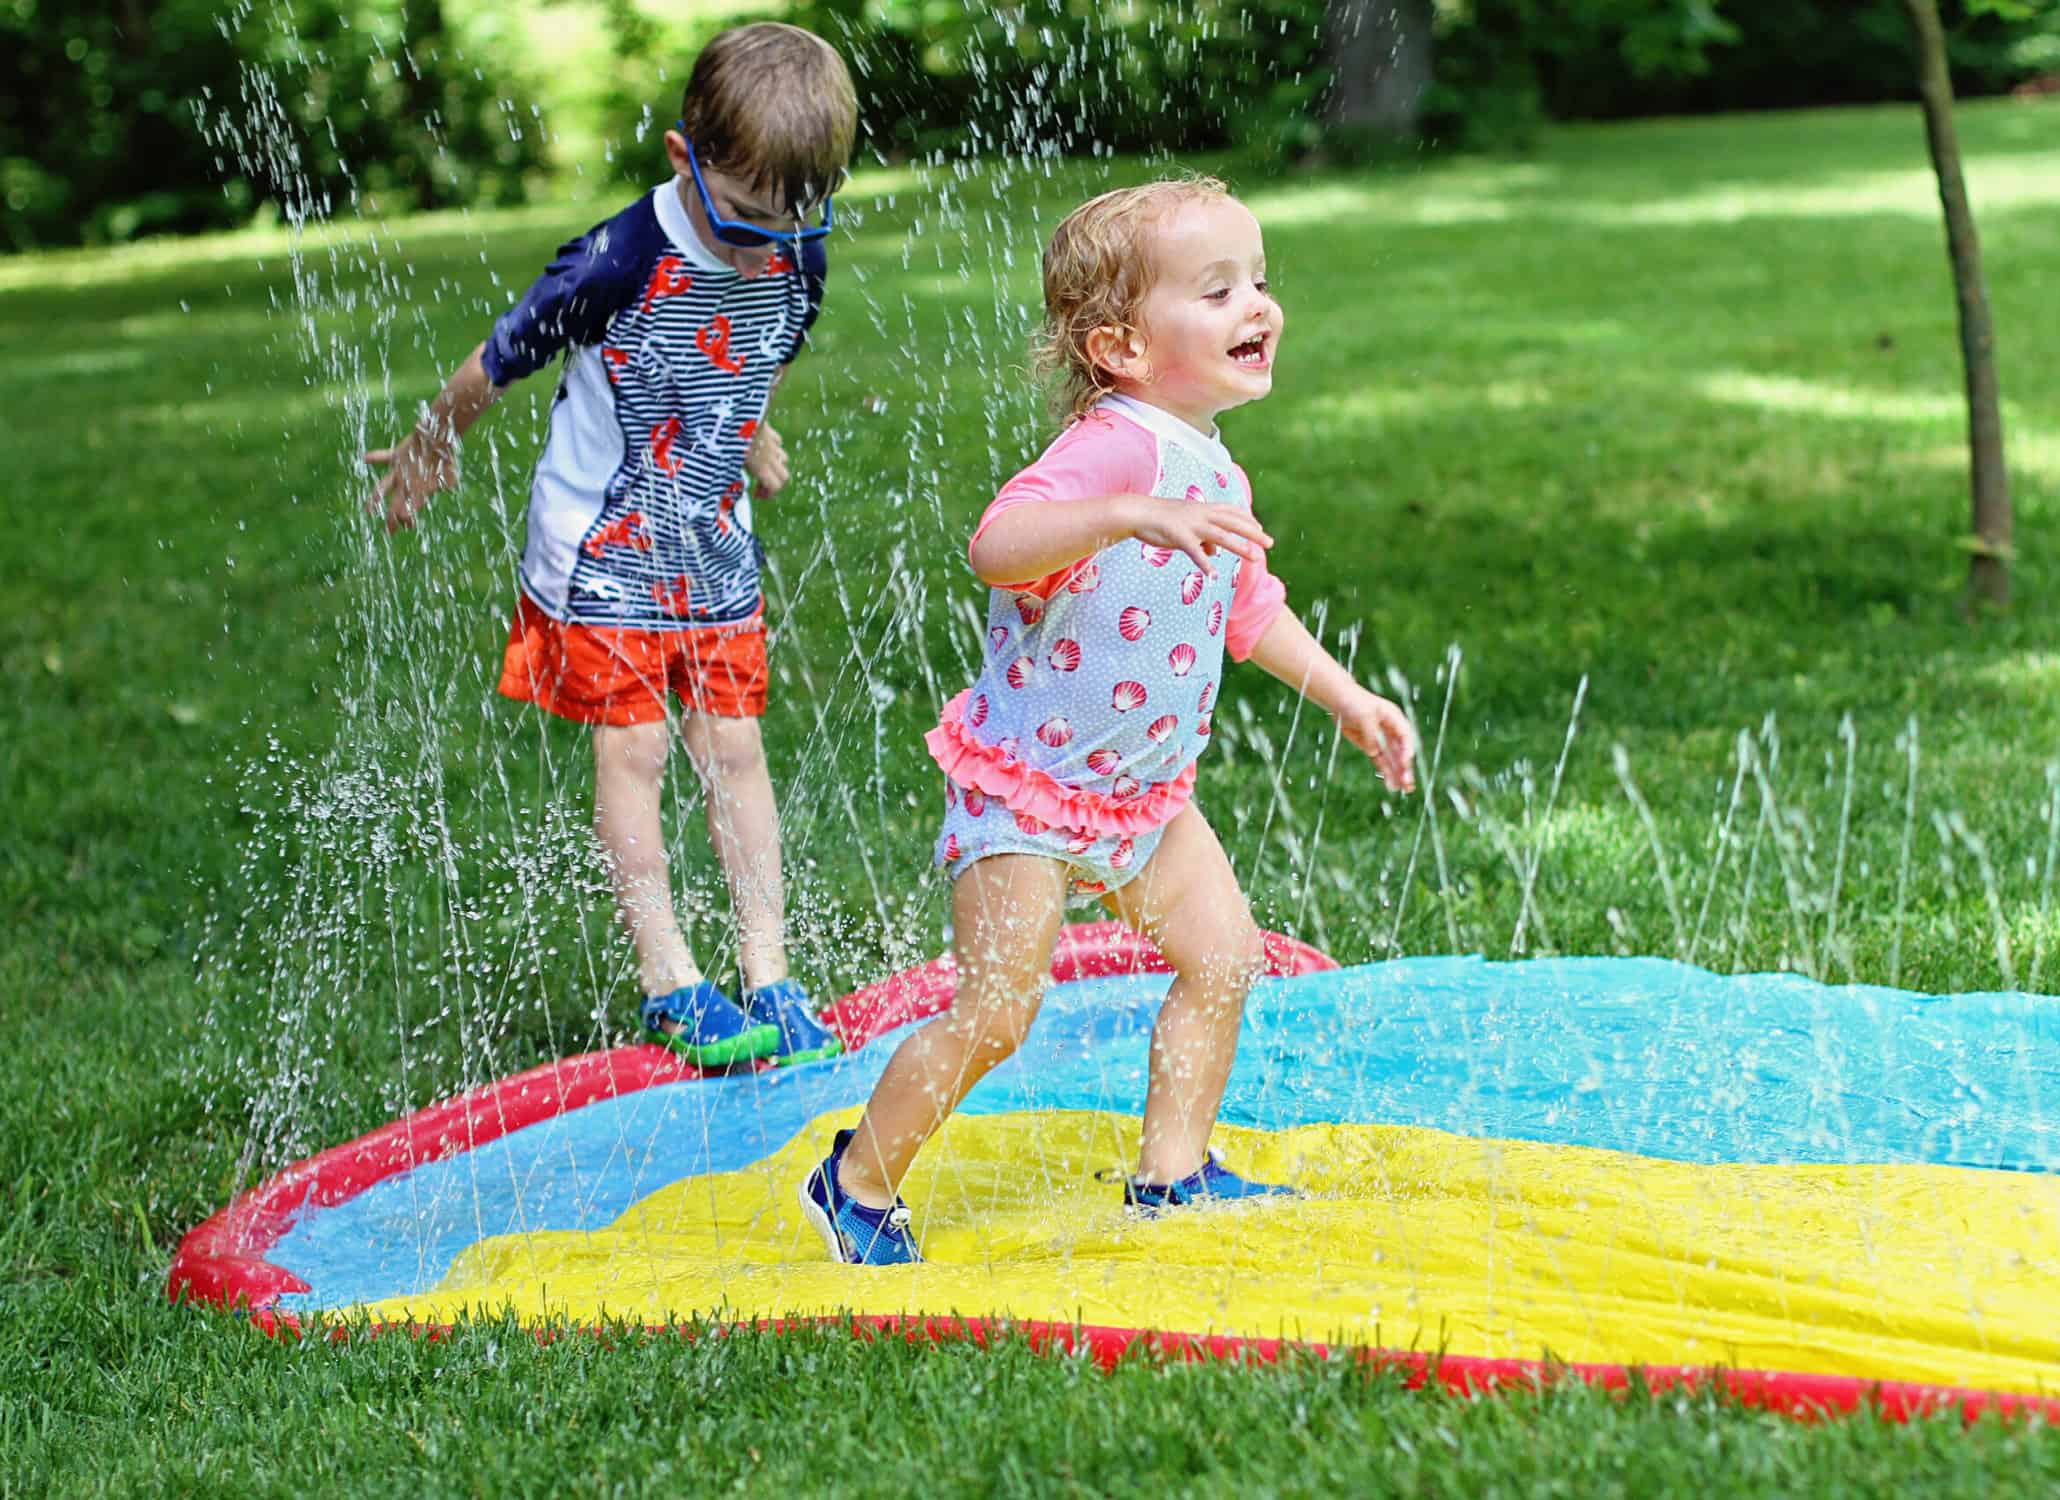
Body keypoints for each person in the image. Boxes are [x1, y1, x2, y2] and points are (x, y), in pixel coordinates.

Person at [800, 177, 1419, 1265]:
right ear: (1123, 348)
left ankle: (1173, 1173)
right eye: (1218, 289)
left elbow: (1249, 609)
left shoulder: (1208, 463)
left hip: (1139, 801)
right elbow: (1000, 542)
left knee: (1222, 960)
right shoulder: (1121, 448)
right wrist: (1136, 511)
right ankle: (854, 1180)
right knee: (998, 1012)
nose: (1258, 307)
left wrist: (1350, 699)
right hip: (1028, 792)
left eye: (1260, 282)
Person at [362, 23, 853, 1069]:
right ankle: (669, 978)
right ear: (685, 160)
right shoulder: (618, 257)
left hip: (714, 544)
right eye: (746, 221)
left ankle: (770, 968)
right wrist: (428, 447)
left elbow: (766, 342)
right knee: (635, 750)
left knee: (735, 750)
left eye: (791, 220)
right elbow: (495, 360)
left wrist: (750, 426)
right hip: (604, 548)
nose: (769, 245)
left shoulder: (794, 244)